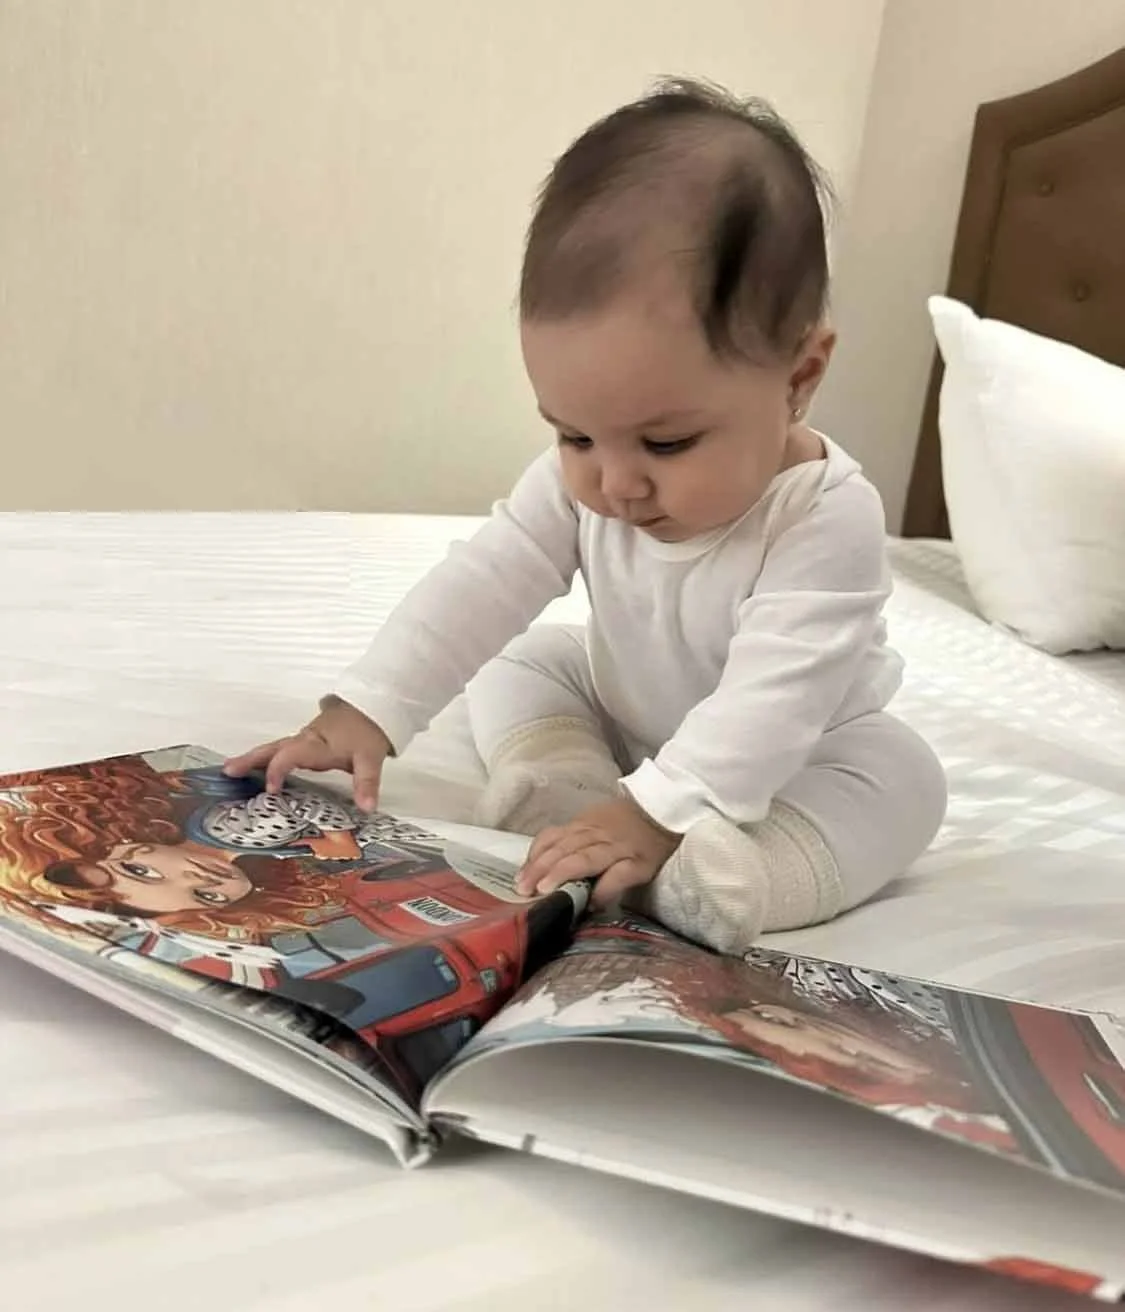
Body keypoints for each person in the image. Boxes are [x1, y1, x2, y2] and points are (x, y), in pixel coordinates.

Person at [225, 78, 948, 957]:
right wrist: (366, 711)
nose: (615, 486)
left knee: (903, 779)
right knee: (526, 658)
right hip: (630, 707)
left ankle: (733, 875)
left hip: (798, 754)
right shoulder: (590, 482)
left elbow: (773, 702)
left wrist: (658, 809)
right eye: (573, 435)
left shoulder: (825, 520)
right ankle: (558, 785)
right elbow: (481, 583)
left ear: (798, 377)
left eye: (667, 443)